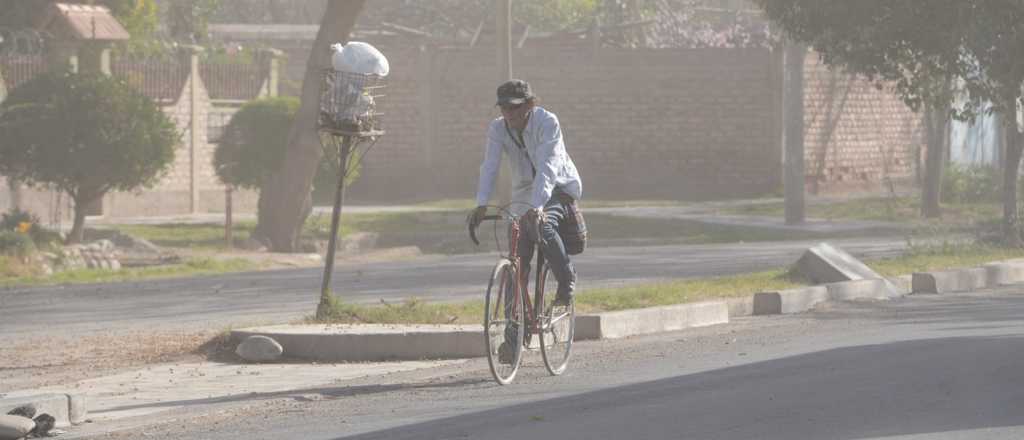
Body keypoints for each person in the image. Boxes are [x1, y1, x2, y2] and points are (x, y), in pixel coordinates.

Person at [470, 80, 583, 362]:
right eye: (505, 108)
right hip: (524, 192)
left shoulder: (547, 122)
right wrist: (481, 204)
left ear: (530, 105)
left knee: (542, 226)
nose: (510, 113)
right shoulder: (498, 128)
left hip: (558, 187)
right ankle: (513, 338)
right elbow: (490, 165)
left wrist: (538, 206)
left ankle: (566, 279)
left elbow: (548, 165)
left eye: (515, 107)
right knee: (515, 266)